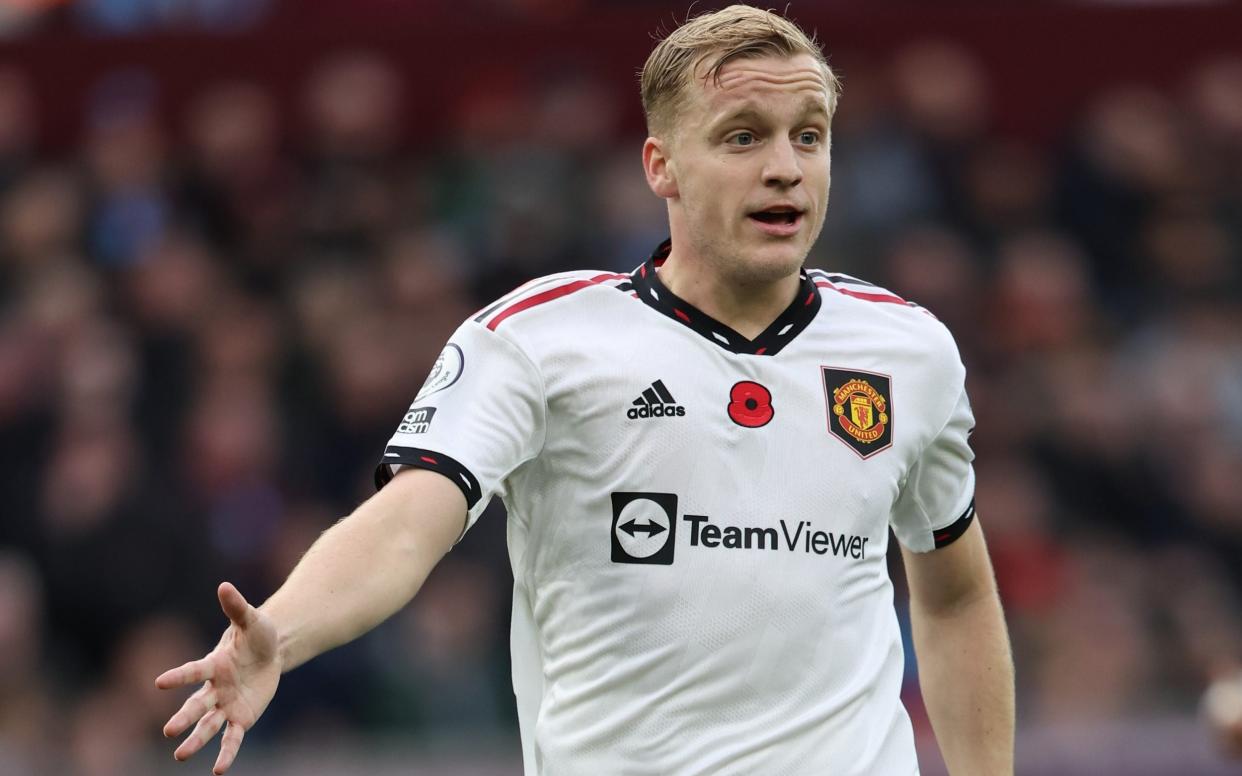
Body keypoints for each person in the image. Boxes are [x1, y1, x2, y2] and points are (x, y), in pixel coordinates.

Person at [156, 6, 1015, 774]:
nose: (787, 167)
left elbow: (956, 590)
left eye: (810, 135)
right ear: (662, 166)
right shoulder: (538, 339)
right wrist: (286, 632)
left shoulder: (908, 350)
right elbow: (406, 523)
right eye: (744, 137)